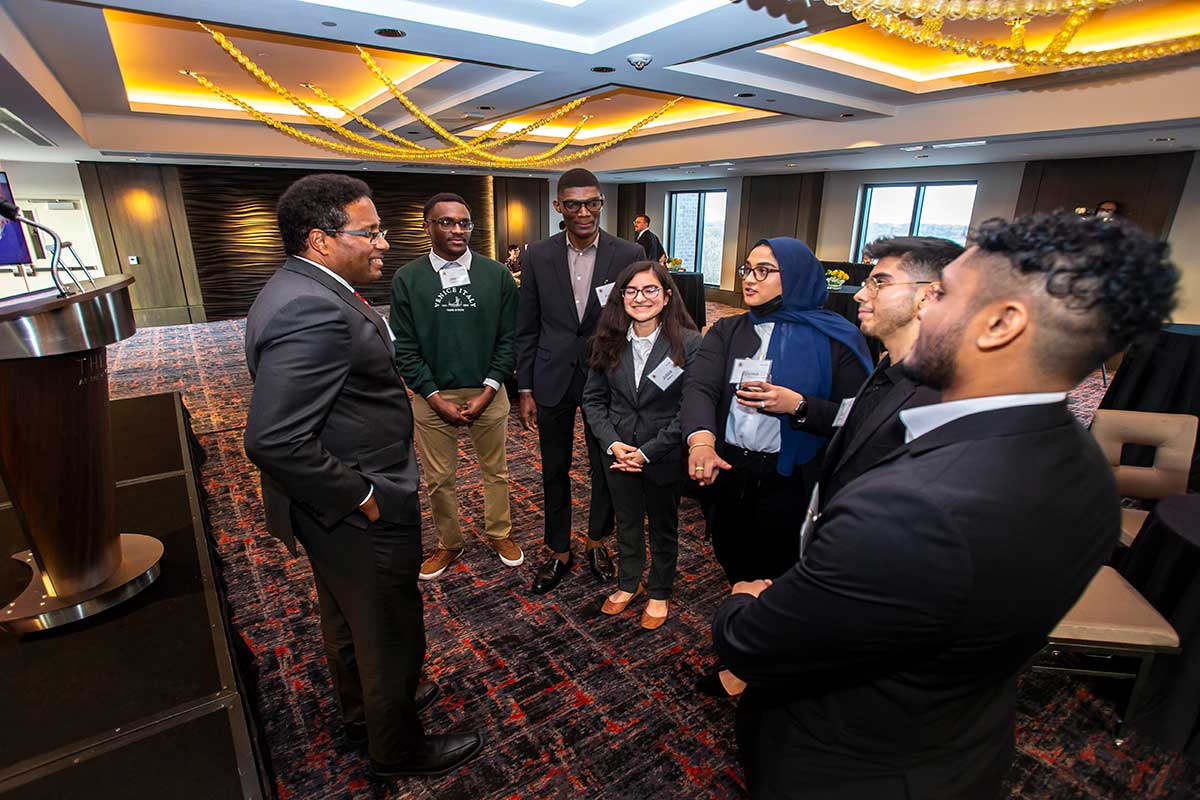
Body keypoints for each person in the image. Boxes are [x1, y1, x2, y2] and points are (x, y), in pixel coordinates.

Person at [712, 211, 1178, 799]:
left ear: (1000, 324)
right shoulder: (1082, 464)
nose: (926, 306)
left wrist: (745, 604)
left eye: (945, 293)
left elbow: (758, 643)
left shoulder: (912, 506)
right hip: (959, 739)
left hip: (852, 762)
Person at [243, 174, 480, 778]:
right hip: (354, 502)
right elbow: (273, 438)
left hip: (329, 506)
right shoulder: (311, 307)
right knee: (388, 629)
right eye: (370, 231)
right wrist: (365, 495)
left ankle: (366, 714)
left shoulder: (300, 286)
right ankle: (397, 747)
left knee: (349, 620)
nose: (384, 241)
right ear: (321, 240)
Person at [681, 236, 871, 585]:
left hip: (792, 478)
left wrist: (798, 406)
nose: (749, 279)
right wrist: (702, 443)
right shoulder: (728, 329)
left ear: (796, 276)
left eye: (764, 271)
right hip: (731, 467)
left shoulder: (837, 339)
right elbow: (699, 387)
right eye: (747, 269)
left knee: (784, 569)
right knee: (732, 554)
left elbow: (858, 415)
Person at [515, 168, 646, 595]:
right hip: (551, 377)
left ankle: (596, 541)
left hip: (605, 378)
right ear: (559, 207)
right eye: (573, 204)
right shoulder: (537, 254)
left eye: (592, 202)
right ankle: (558, 550)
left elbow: (638, 320)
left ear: (602, 202)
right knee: (554, 468)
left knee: (604, 466)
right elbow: (527, 325)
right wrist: (525, 388)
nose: (584, 211)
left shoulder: (627, 253)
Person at [389, 192, 522, 582]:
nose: (458, 230)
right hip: (432, 397)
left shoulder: (496, 275)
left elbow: (509, 338)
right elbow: (404, 346)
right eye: (446, 222)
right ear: (426, 225)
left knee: (495, 470)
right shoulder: (408, 278)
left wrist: (489, 388)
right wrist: (431, 395)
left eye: (464, 222)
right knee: (439, 477)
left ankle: (500, 532)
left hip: (489, 391)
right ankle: (449, 541)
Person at [793, 236, 963, 507]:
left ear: (928, 296)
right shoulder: (887, 369)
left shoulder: (940, 396)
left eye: (880, 283)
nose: (861, 294)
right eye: (867, 283)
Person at [582, 261, 701, 629]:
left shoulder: (690, 344)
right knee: (627, 521)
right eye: (631, 291)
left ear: (667, 296)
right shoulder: (607, 341)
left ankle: (660, 589)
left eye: (650, 290)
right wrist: (614, 445)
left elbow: (690, 409)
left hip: (662, 454)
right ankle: (629, 582)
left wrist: (647, 451)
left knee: (663, 524)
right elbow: (593, 400)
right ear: (621, 298)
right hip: (617, 454)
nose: (640, 298)